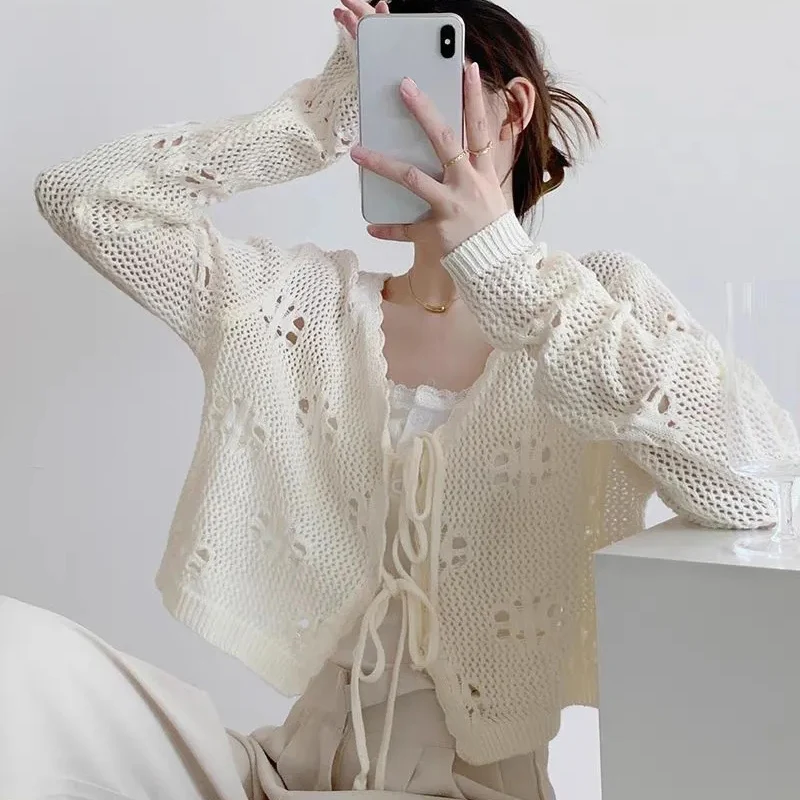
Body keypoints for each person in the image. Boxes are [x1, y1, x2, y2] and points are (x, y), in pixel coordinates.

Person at [3, 0, 792, 798]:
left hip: (472, 787)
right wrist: (318, 115)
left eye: (425, 92)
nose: (401, 124)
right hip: (279, 775)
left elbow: (754, 484)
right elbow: (82, 197)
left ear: (512, 109)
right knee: (20, 658)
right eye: (385, 96)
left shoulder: (589, 310)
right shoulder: (295, 306)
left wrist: (506, 271)